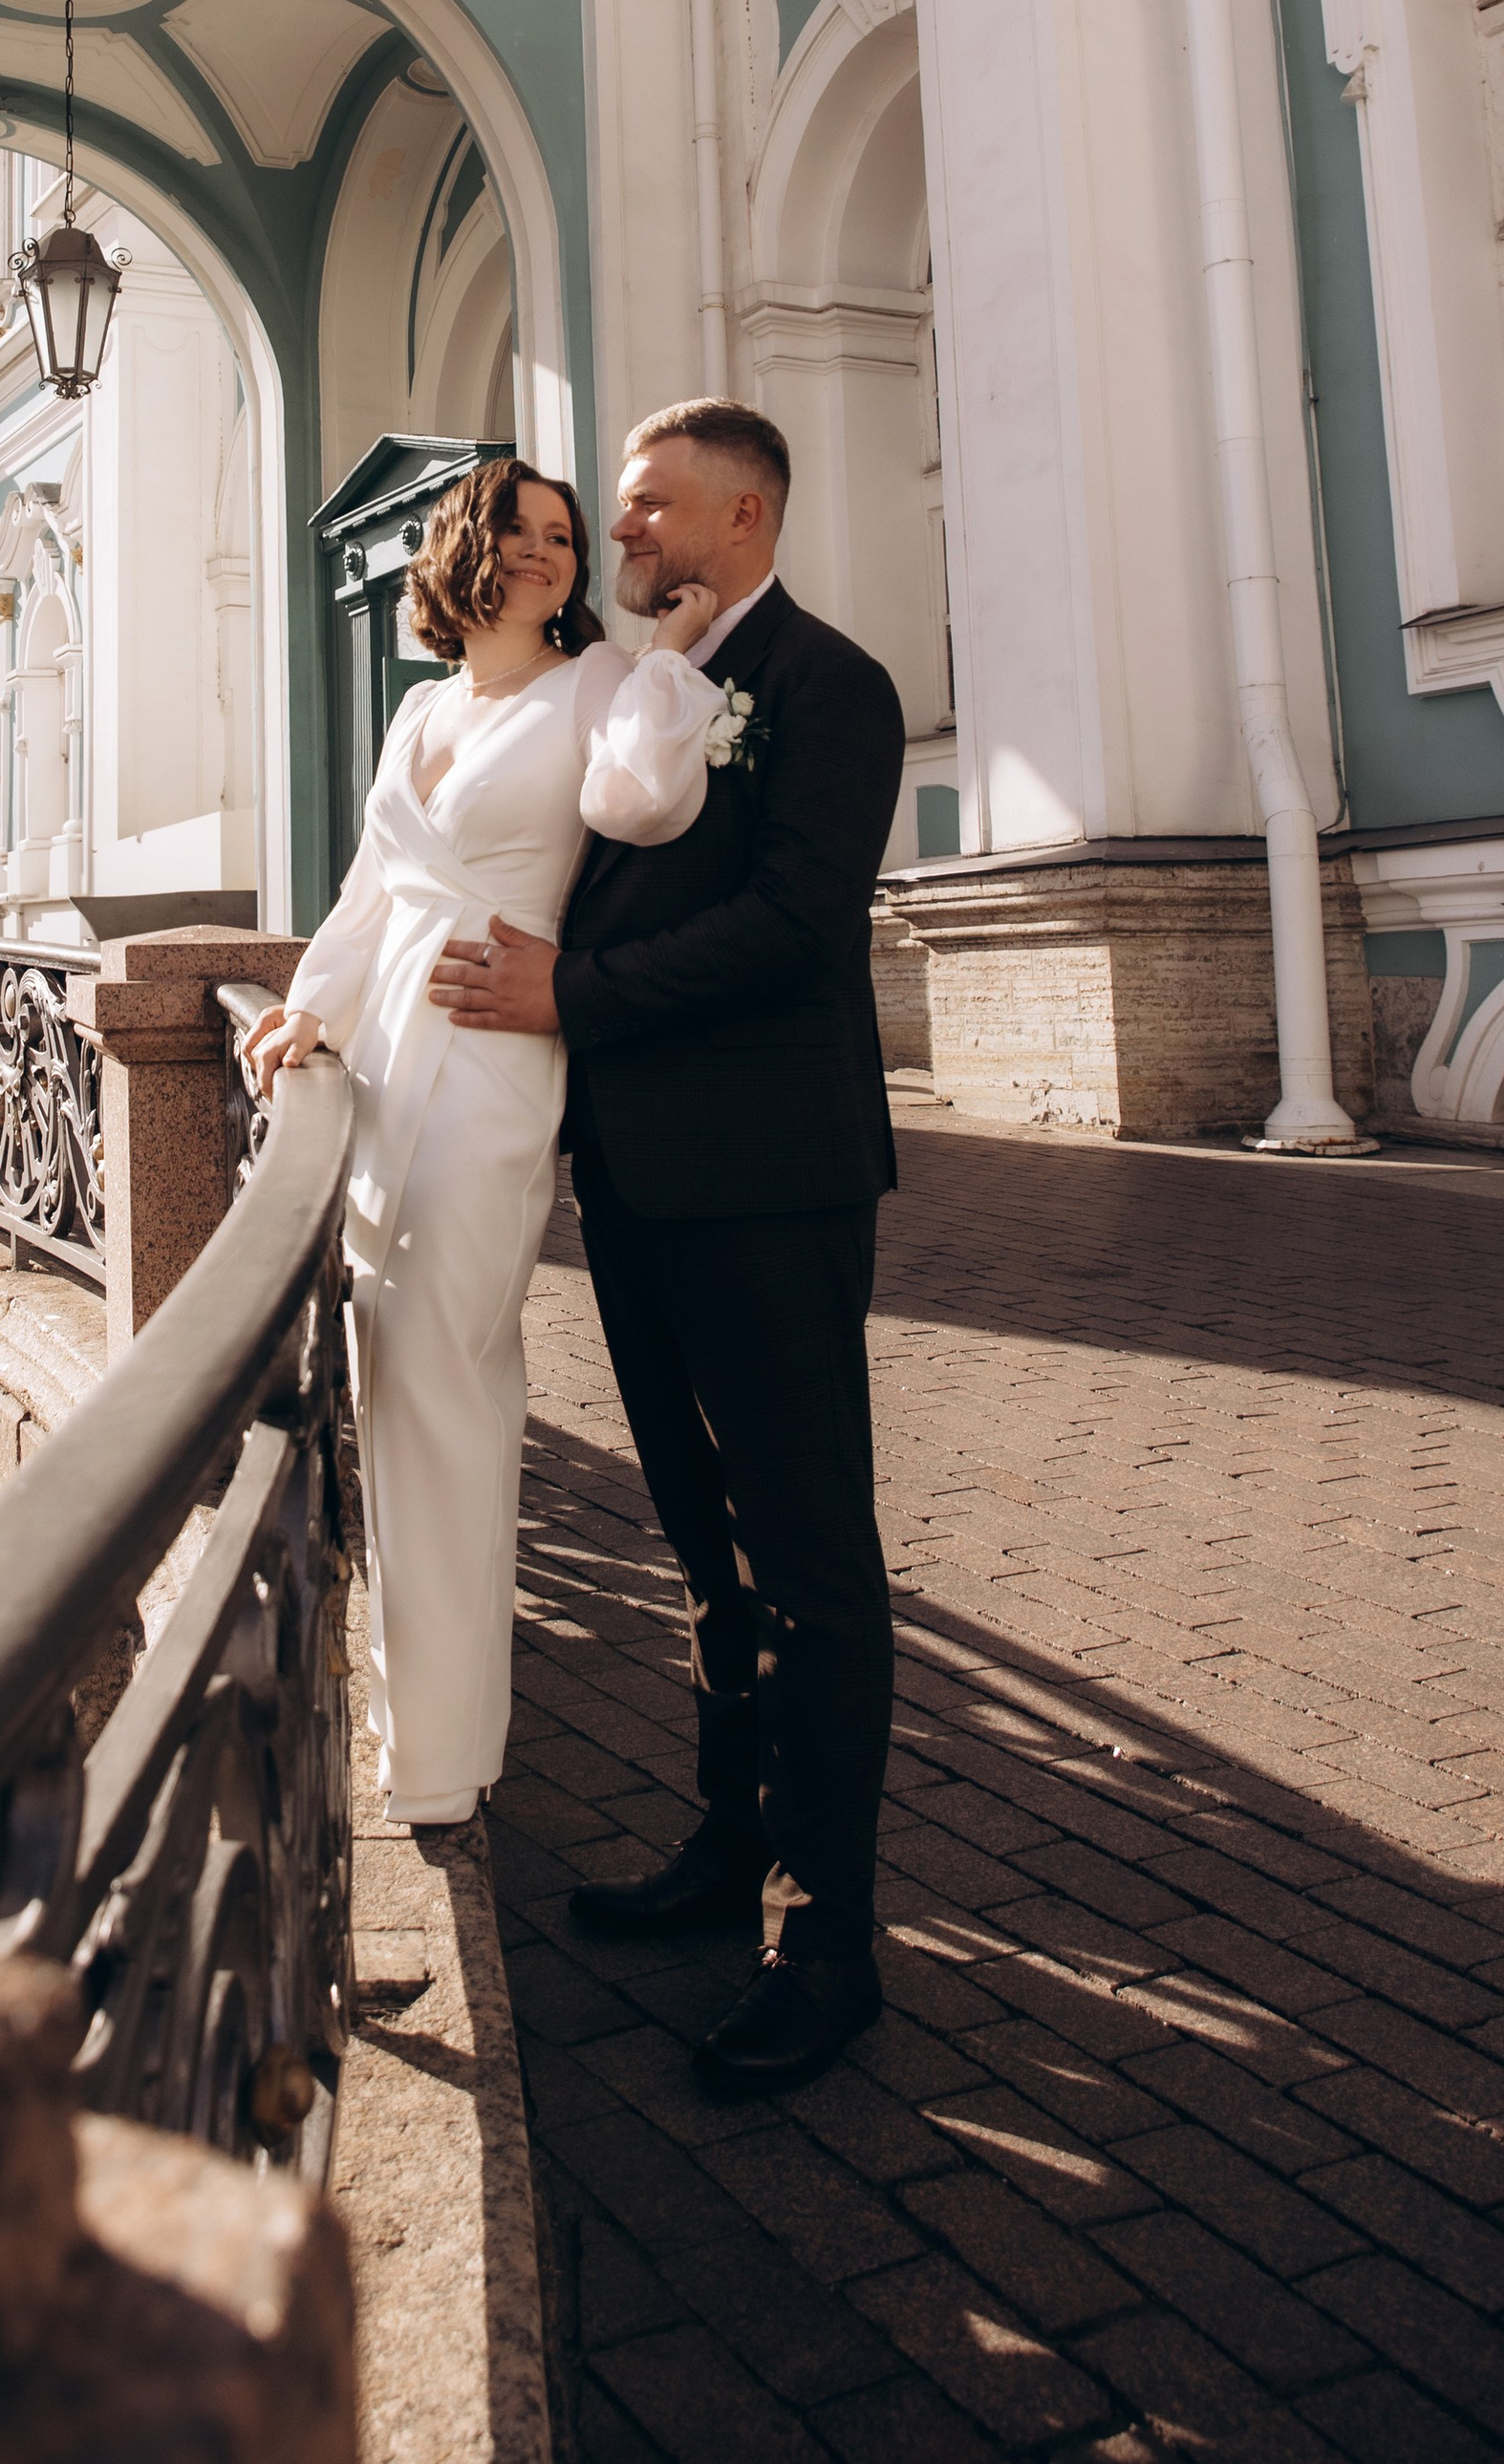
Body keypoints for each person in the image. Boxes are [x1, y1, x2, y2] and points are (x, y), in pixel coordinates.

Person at [425, 400, 906, 2100]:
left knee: (811, 1567)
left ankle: (822, 1938)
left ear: (746, 512)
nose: (619, 539)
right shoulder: (651, 680)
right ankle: (727, 1837)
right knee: (708, 1552)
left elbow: (789, 928)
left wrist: (576, 999)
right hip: (634, 1185)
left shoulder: (832, 687)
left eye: (645, 511)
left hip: (771, 1183)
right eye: (619, 514)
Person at [246, 461, 731, 1832]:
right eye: (517, 531)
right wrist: (310, 1005)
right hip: (390, 1053)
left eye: (563, 538)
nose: (543, 553)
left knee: (449, 1383)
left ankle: (447, 1758)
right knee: (387, 1378)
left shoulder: (598, 686)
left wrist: (668, 661)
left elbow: (643, 808)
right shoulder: (419, 707)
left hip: (498, 1056)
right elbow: (370, 889)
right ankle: (408, 1726)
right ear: (462, 546)